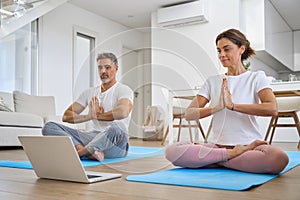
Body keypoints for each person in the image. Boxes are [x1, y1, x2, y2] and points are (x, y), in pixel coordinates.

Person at [165, 29, 289, 174]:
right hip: (218, 147)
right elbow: (190, 114)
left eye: (227, 49)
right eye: (219, 51)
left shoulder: (257, 77)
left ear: (241, 49)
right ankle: (228, 157)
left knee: (278, 158)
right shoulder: (213, 81)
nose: (221, 55)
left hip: (250, 146)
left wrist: (233, 106)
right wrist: (217, 107)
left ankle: (215, 161)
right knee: (172, 151)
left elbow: (272, 109)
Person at [42, 52, 133, 161]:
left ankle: (81, 152)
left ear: (116, 68)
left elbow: (122, 112)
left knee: (119, 126)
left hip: (115, 144)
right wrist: (89, 116)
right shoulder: (89, 92)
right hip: (92, 137)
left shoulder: (123, 90)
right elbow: (66, 116)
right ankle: (87, 150)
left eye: (107, 67)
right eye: (100, 68)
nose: (103, 71)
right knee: (49, 126)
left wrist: (98, 115)